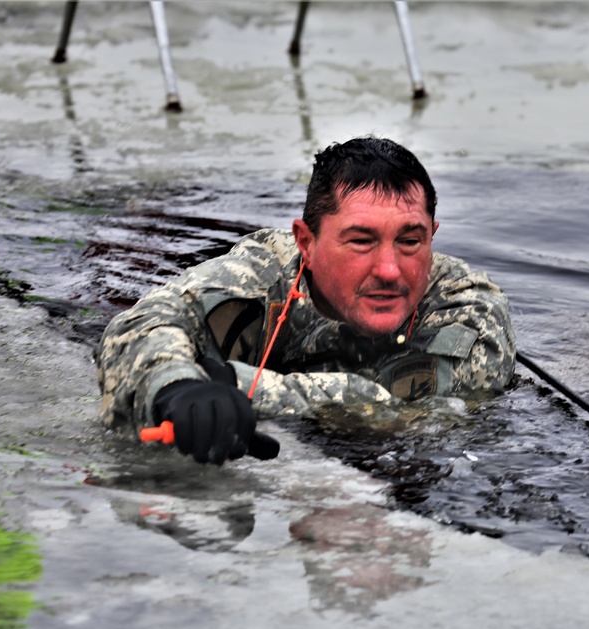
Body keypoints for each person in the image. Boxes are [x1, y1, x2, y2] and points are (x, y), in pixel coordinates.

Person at [95, 136, 516, 465]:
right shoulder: (261, 272)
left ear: (432, 236)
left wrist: (236, 387)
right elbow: (141, 325)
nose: (390, 269)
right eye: (361, 241)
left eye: (410, 241)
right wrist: (176, 389)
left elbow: (416, 409)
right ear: (306, 243)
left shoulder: (468, 306)